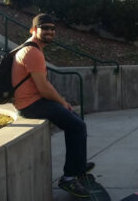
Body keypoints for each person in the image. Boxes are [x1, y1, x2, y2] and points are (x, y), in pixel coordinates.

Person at [12, 13, 94, 198]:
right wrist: (62, 102)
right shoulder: (32, 52)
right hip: (31, 104)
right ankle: (69, 178)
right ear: (33, 30)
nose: (50, 31)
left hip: (33, 100)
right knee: (77, 125)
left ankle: (78, 165)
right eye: (45, 28)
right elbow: (43, 88)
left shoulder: (32, 48)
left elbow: (43, 85)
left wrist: (61, 102)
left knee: (76, 121)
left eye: (52, 28)